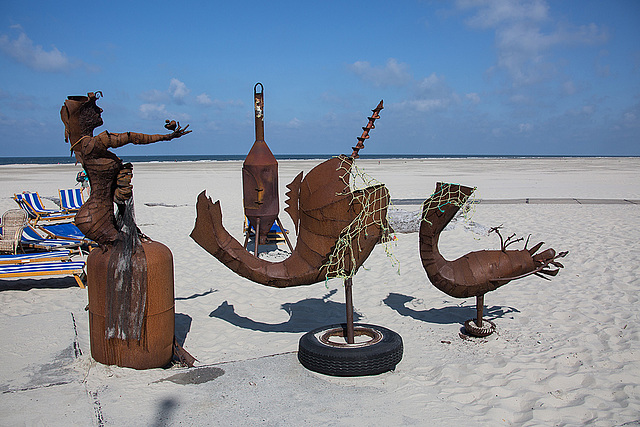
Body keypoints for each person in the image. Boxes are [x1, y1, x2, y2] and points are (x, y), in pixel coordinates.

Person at [60, 91, 191, 246]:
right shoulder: (92, 144)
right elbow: (131, 137)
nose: (100, 110)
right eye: (94, 109)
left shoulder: (84, 145)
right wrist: (167, 137)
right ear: (85, 117)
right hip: (96, 218)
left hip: (100, 215)